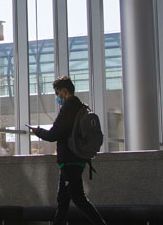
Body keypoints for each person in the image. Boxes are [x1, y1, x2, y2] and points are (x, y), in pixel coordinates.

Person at [31, 76, 107, 225]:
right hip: (77, 159)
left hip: (70, 160)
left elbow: (54, 134)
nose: (57, 98)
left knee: (78, 198)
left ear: (64, 91)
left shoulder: (69, 107)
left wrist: (38, 131)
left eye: (57, 94)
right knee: (63, 201)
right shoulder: (80, 106)